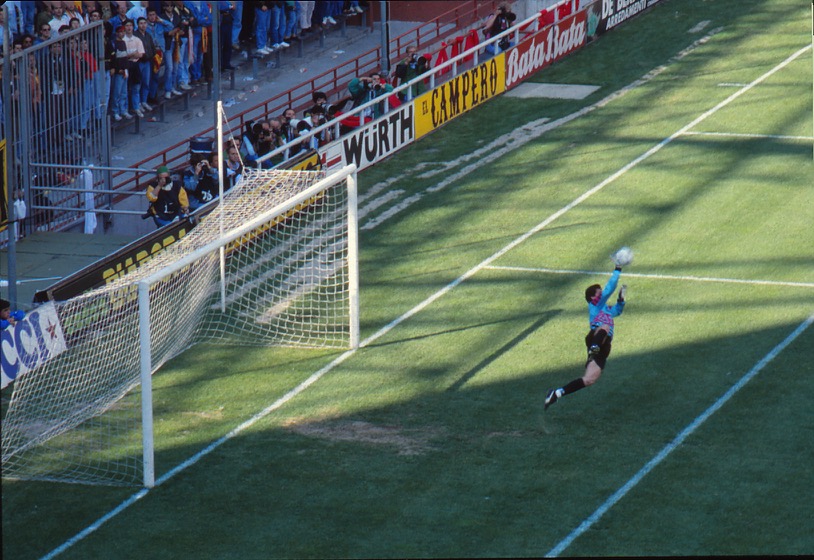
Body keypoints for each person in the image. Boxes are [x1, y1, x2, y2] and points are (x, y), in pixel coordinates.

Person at [544, 265, 628, 410]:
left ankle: (556, 394)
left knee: (590, 379)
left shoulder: (606, 310)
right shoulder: (594, 306)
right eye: (600, 293)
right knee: (605, 327)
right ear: (593, 297)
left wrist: (620, 300)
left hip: (604, 346)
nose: (602, 295)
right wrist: (618, 268)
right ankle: (594, 348)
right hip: (594, 337)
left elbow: (617, 311)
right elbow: (610, 288)